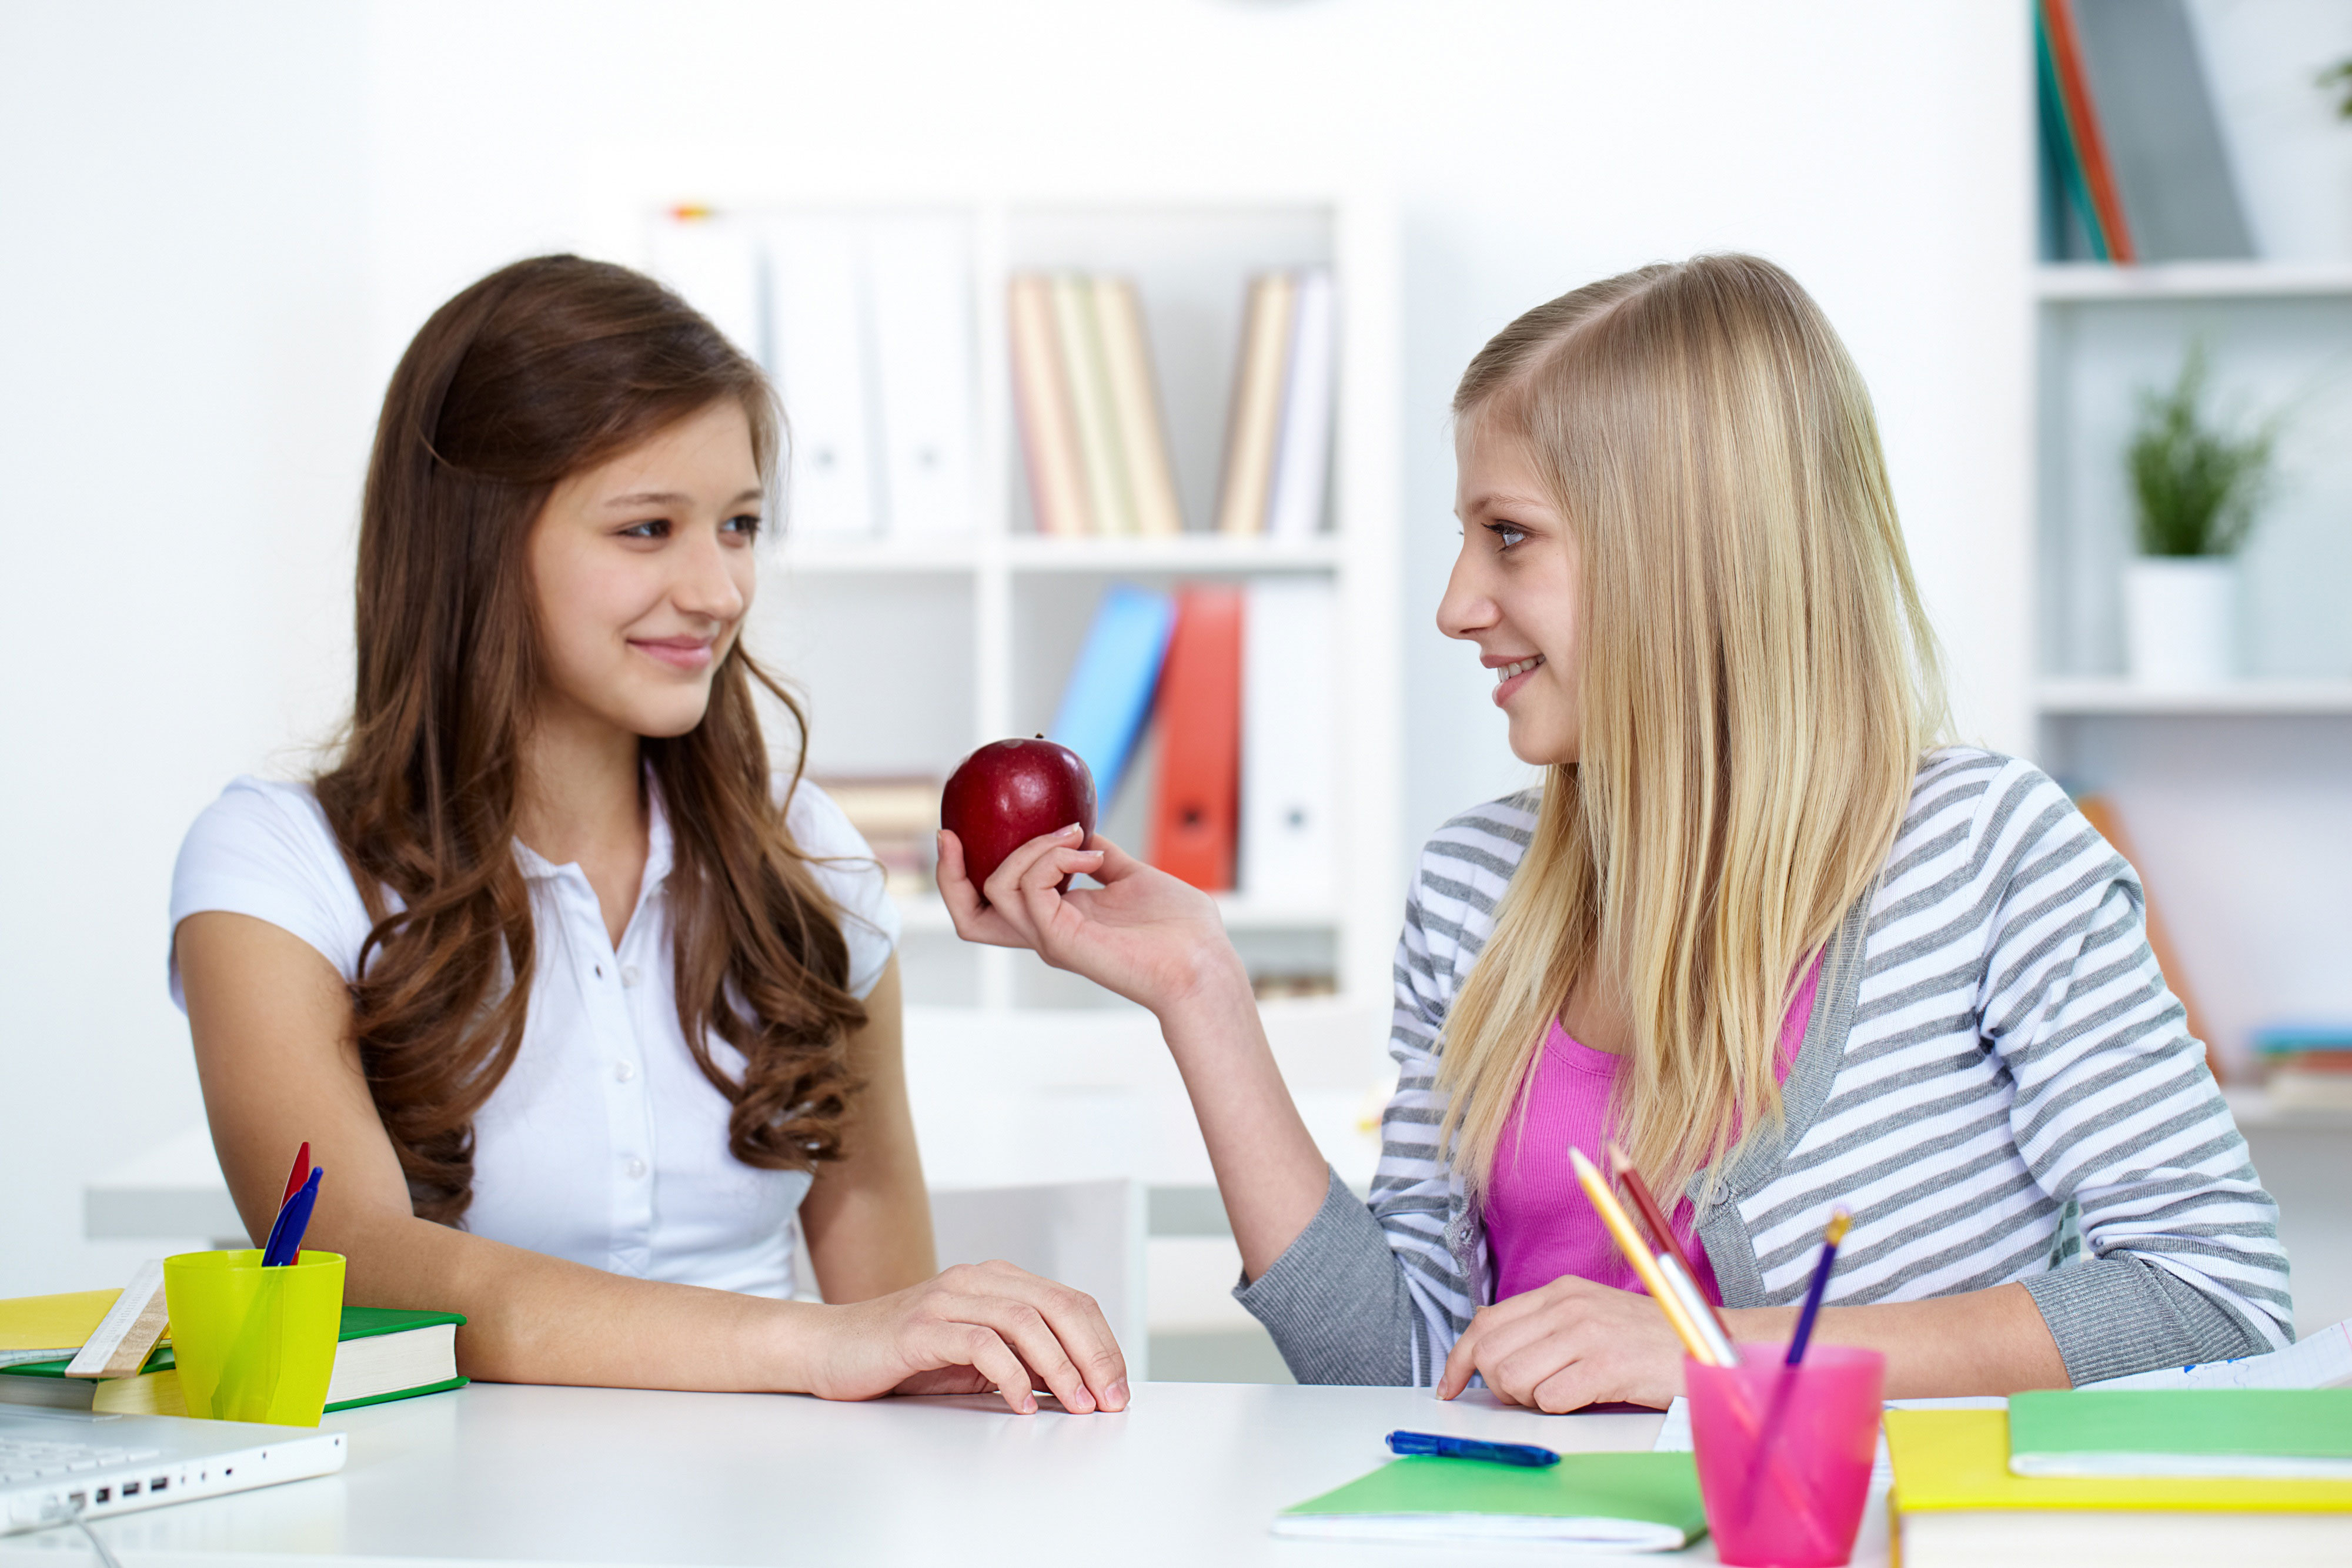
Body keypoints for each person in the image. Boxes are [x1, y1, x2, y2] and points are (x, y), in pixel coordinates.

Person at [938, 253, 2291, 1410]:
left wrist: (1703, 1355)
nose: (1457, 603)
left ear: (1680, 553)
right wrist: (1199, 990)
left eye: (1508, 536)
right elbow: (1399, 1370)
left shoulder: (1987, 855)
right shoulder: (1474, 887)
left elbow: (2209, 1300)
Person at [173, 255, 1125, 1416]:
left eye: (737, 525)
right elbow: (359, 1265)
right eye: (646, 528)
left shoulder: (807, 856)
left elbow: (885, 1291)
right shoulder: (275, 868)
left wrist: (952, 1354)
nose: (718, 586)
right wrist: (817, 1345)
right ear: (475, 538)